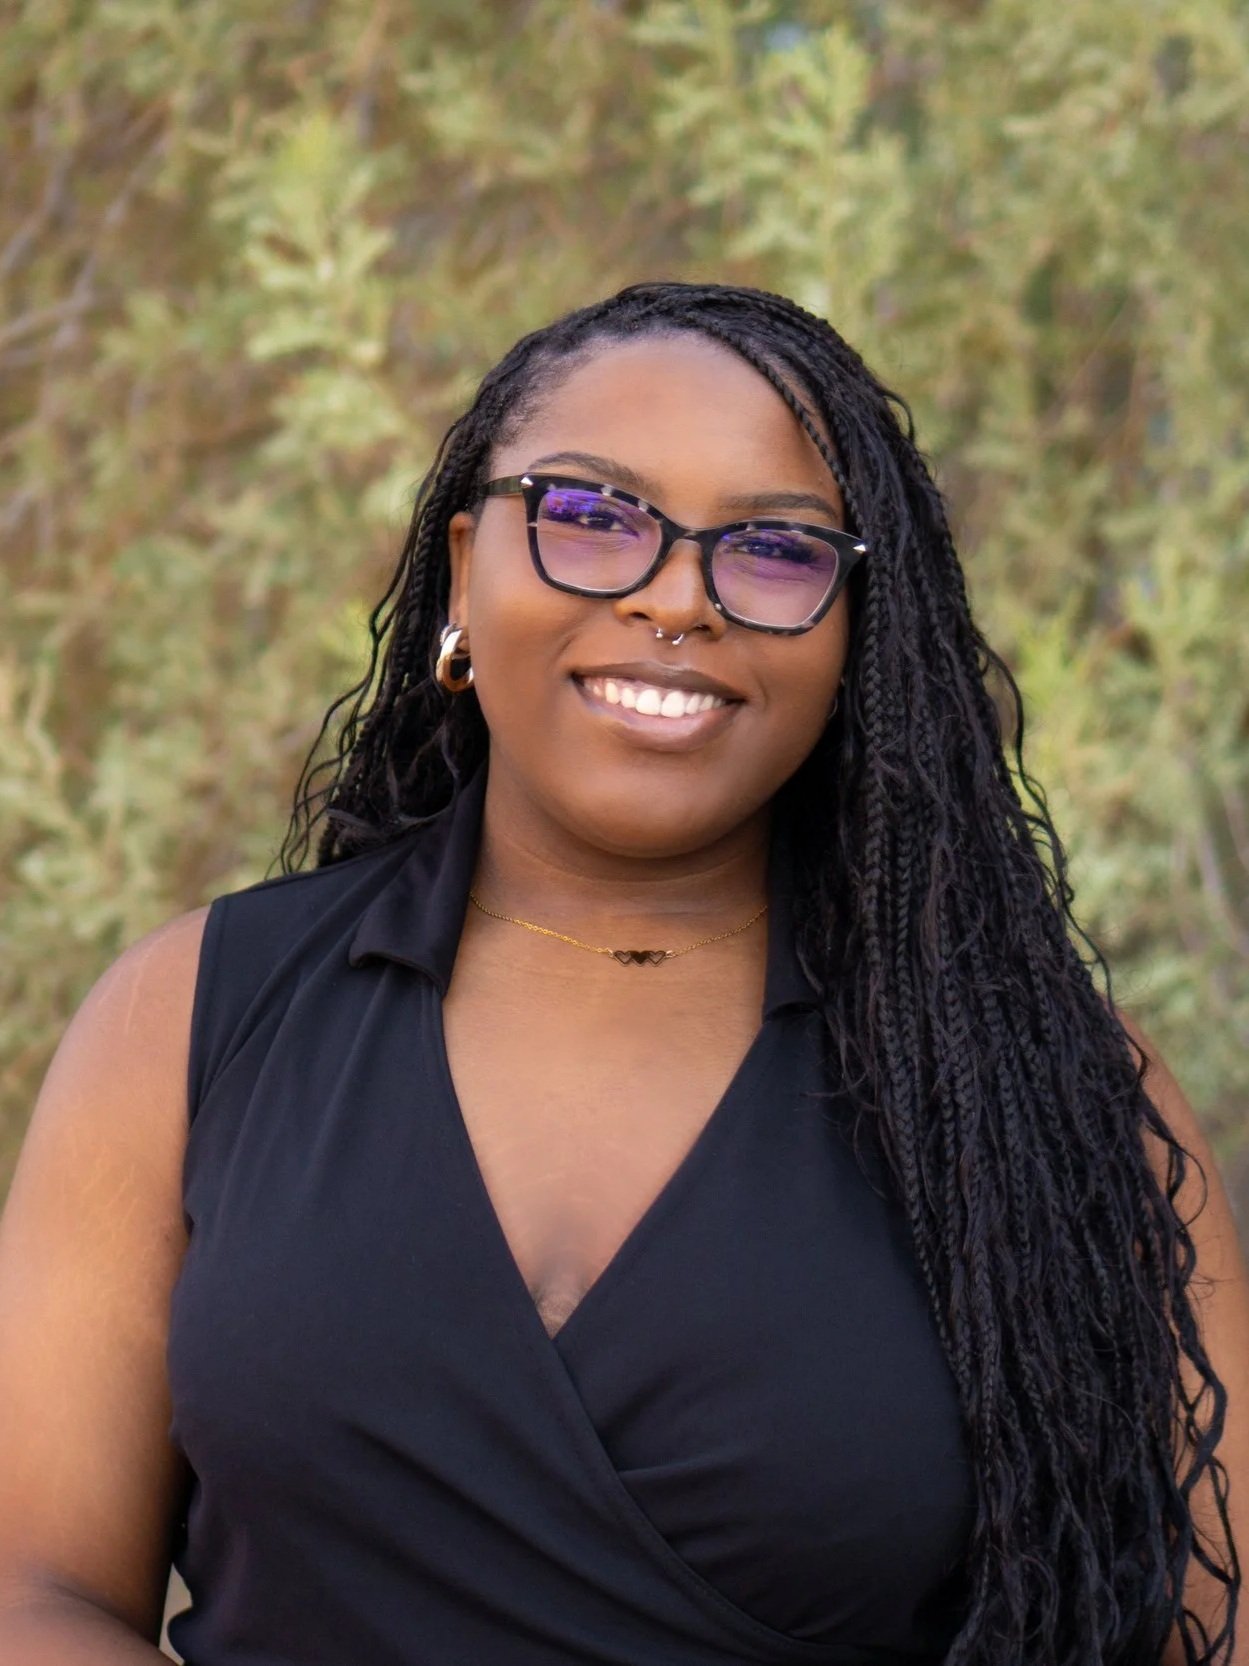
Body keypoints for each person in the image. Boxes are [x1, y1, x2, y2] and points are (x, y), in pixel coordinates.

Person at [0, 281, 1245, 1666]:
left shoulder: (1044, 1089)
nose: (672, 596)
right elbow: (34, 1585)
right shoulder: (188, 1017)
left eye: (772, 550)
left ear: (854, 637)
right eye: (591, 518)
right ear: (466, 568)